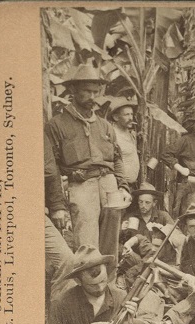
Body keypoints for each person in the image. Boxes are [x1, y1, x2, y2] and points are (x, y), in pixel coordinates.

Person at [44, 64, 126, 259]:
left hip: (109, 185)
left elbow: (117, 158)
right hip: (82, 185)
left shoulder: (105, 126)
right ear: (73, 90)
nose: (92, 96)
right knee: (87, 246)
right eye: (87, 91)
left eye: (95, 92)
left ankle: (110, 278)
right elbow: (52, 168)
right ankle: (88, 279)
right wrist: (57, 206)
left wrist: (123, 187)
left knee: (111, 244)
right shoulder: (57, 125)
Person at [108, 99, 140, 187]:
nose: (131, 118)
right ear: (116, 117)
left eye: (131, 114)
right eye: (126, 114)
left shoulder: (131, 134)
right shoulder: (112, 134)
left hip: (132, 185)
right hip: (118, 185)